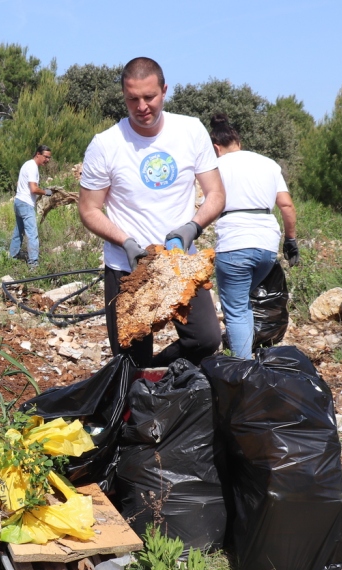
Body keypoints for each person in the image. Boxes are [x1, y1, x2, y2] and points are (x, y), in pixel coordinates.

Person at [78, 57, 225, 367]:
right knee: (130, 358)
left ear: (164, 91)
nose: (142, 106)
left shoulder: (190, 130)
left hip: (179, 264)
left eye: (149, 97)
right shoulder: (106, 144)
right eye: (133, 98)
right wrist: (127, 243)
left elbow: (216, 194)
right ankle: (139, 397)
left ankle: (158, 376)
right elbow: (89, 209)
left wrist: (191, 229)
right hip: (128, 267)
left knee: (206, 340)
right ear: (123, 96)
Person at [209, 113, 299, 360]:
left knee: (235, 310)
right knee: (244, 303)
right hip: (267, 245)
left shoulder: (215, 166)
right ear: (238, 142)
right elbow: (287, 206)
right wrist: (290, 240)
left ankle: (242, 371)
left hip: (234, 243)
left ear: (216, 147)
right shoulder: (268, 164)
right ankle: (248, 358)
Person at [9, 145, 54, 269]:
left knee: (18, 231)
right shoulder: (33, 167)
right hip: (26, 204)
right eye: (45, 157)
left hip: (18, 201)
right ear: (38, 154)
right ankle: (33, 264)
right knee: (32, 234)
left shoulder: (27, 164)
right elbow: (34, 189)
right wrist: (46, 192)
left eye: (49, 158)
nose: (47, 160)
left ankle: (12, 256)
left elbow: (20, 183)